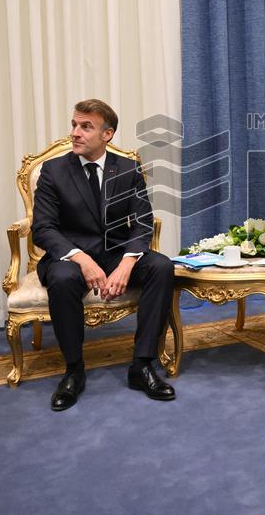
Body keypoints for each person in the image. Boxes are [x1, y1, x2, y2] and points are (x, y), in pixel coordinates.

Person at [32, 99, 176, 411]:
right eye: (74, 125)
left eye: (86, 126)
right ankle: (74, 370)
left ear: (107, 134)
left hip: (115, 253)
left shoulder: (127, 169)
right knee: (62, 277)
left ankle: (142, 364)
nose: (76, 133)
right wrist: (81, 259)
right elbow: (43, 228)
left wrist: (127, 262)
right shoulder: (54, 171)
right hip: (70, 257)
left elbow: (142, 222)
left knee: (161, 267)